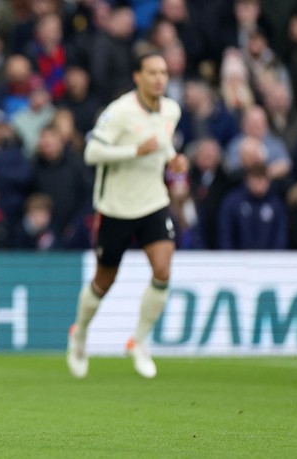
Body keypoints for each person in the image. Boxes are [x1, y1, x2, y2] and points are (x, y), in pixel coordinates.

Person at [66, 52, 188, 380]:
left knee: (162, 270)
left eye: (164, 71)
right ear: (138, 76)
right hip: (116, 207)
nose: (160, 78)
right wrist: (136, 151)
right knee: (104, 281)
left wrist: (174, 160)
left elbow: (163, 146)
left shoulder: (172, 110)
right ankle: (79, 335)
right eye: (152, 72)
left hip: (153, 202)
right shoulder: (119, 112)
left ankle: (139, 341)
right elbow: (92, 152)